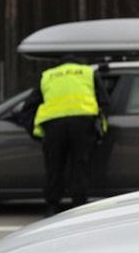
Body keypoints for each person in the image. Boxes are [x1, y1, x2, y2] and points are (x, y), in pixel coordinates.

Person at [24, 57, 109, 216]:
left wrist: (36, 132)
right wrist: (101, 127)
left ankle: (52, 207)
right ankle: (79, 206)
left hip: (54, 126)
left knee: (54, 166)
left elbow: (28, 107)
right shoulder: (87, 72)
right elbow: (104, 102)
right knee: (80, 165)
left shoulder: (48, 75)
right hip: (83, 123)